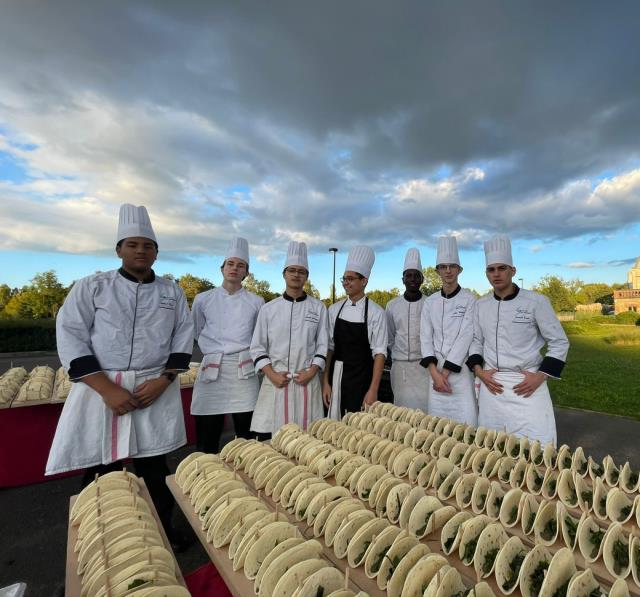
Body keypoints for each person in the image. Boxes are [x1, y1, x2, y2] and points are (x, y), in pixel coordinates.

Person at [46, 203, 194, 548]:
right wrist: (106, 390)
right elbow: (70, 334)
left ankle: (163, 533)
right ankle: (96, 542)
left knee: (155, 468)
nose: (141, 251)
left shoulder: (171, 292)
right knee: (102, 469)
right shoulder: (93, 287)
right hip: (101, 389)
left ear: (157, 252)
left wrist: (164, 380)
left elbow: (183, 336)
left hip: (153, 387)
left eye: (148, 245)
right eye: (133, 244)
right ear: (119, 249)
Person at [467, 234, 570, 445]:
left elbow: (559, 342)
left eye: (502, 268)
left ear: (513, 271)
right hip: (492, 386)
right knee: (492, 446)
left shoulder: (536, 302)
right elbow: (476, 341)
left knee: (538, 445)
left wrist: (540, 376)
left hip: (527, 383)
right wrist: (479, 372)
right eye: (491, 269)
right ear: (486, 273)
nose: (496, 274)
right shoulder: (481, 305)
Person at [191, 237, 264, 453]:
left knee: (247, 435)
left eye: (240, 265)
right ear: (222, 268)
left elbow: (259, 336)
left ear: (246, 273)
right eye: (230, 264)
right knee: (207, 431)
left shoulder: (256, 301)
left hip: (244, 369)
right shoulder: (202, 299)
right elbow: (196, 330)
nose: (234, 268)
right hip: (212, 367)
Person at [250, 241, 328, 438]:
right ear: (284, 274)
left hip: (307, 382)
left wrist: (312, 372)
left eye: (301, 271)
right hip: (275, 381)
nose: (296, 275)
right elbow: (258, 347)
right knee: (272, 442)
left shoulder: (318, 308)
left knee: (308, 440)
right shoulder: (269, 309)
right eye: (292, 270)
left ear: (306, 277)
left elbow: (323, 344)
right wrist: (272, 375)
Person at [323, 245, 388, 417]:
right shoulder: (334, 310)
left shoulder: (376, 313)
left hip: (362, 381)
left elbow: (380, 353)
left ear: (364, 281)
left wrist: (373, 389)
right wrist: (325, 382)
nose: (346, 283)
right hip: (336, 379)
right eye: (344, 279)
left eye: (351, 279)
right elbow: (329, 348)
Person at [420, 236, 478, 424]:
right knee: (437, 429)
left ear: (459, 270)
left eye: (452, 266)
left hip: (459, 374)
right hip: (434, 373)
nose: (448, 271)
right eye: (443, 266)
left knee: (466, 426)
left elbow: (466, 336)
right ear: (437, 271)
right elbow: (425, 337)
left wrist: (444, 374)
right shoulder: (430, 302)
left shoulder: (469, 299)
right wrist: (435, 374)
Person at [385, 248, 430, 410]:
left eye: (416, 275)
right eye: (408, 275)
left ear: (422, 279)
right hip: (400, 369)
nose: (412, 279)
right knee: (401, 414)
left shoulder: (430, 303)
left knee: (426, 414)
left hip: (425, 369)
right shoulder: (392, 305)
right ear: (402, 279)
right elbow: (389, 337)